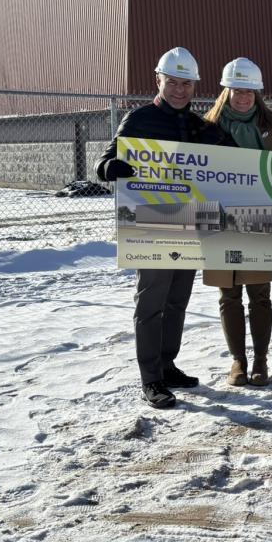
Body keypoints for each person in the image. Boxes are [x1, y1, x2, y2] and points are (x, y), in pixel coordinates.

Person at [95, 47, 222, 409]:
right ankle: (151, 378)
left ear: (195, 85)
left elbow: (234, 167)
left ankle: (168, 366)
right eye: (172, 83)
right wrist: (111, 169)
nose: (180, 90)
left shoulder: (202, 128)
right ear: (159, 81)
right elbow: (104, 161)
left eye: (186, 84)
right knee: (152, 300)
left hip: (193, 219)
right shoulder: (139, 120)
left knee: (177, 299)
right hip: (152, 222)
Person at [200, 57, 272, 387]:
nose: (244, 97)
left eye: (250, 91)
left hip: (260, 218)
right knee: (229, 293)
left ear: (257, 94)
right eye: (237, 90)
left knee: (259, 293)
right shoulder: (206, 129)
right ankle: (238, 360)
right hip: (218, 218)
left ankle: (261, 360)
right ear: (226, 91)